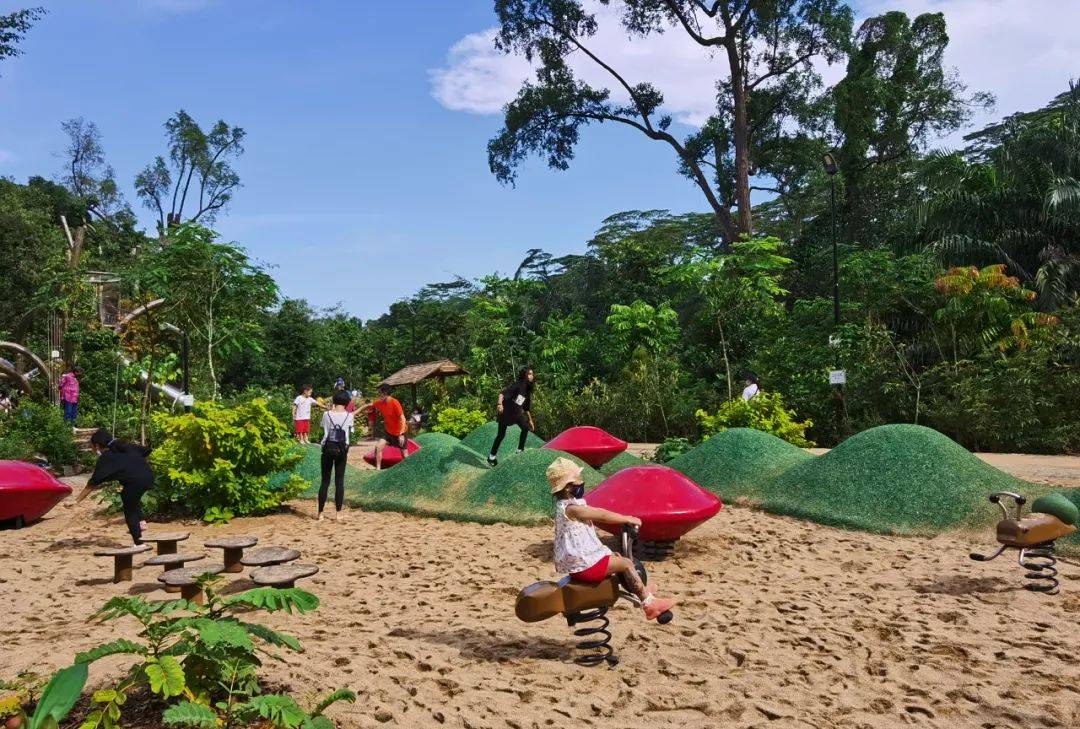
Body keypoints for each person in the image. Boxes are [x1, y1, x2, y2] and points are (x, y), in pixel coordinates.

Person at [546, 457, 675, 621]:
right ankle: (648, 604)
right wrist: (627, 518)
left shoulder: (568, 504)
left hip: (580, 562)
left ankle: (640, 590)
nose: (582, 482)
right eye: (578, 479)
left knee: (617, 557)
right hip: (584, 566)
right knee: (626, 563)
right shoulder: (571, 509)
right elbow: (601, 515)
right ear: (568, 487)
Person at [70, 429, 154, 545]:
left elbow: (92, 484)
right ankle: (141, 522)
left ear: (97, 446)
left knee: (129, 511)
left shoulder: (106, 458)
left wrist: (76, 501)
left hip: (134, 482)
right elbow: (146, 451)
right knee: (129, 496)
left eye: (92, 447)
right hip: (148, 476)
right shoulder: (126, 447)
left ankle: (139, 543)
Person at [317, 389, 354, 522]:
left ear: (334, 400)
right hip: (342, 450)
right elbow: (350, 431)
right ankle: (338, 514)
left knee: (325, 481)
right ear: (347, 402)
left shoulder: (326, 414)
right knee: (339, 482)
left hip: (327, 448)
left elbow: (324, 429)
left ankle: (320, 514)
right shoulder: (349, 416)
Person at [488, 366, 535, 467]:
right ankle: (491, 458)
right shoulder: (518, 385)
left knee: (525, 428)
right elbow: (502, 394)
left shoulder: (527, 389)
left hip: (516, 413)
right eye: (530, 374)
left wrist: (530, 420)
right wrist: (499, 404)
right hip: (505, 413)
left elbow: (526, 407)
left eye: (532, 374)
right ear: (525, 375)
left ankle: (520, 451)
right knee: (501, 435)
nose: (532, 376)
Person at [363, 383, 408, 469]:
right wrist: (355, 412)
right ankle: (378, 470)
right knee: (378, 447)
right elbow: (368, 405)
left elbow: (403, 418)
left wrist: (401, 434)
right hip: (388, 433)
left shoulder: (395, 402)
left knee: (405, 455)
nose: (378, 394)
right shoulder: (380, 402)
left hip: (400, 432)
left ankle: (409, 471)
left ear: (385, 393)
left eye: (379, 392)